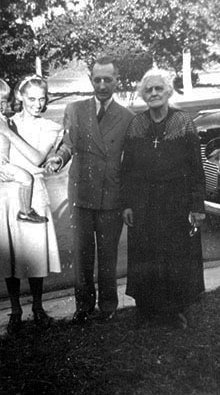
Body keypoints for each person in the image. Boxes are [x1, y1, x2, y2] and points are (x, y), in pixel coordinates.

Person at [46, 55, 134, 324]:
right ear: (90, 80)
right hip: (82, 193)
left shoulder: (128, 117)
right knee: (82, 255)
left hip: (111, 196)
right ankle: (83, 307)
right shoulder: (75, 110)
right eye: (97, 79)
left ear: (116, 80)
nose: (103, 84)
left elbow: (130, 164)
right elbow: (68, 144)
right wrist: (58, 158)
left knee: (108, 256)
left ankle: (108, 307)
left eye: (108, 79)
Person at [0, 75, 62, 335]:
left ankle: (37, 307)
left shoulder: (50, 126)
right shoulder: (4, 118)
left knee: (35, 255)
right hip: (3, 190)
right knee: (9, 255)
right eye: (31, 98)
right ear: (20, 97)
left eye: (41, 99)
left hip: (32, 194)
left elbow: (36, 159)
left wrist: (6, 132)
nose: (37, 103)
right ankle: (15, 311)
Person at [121, 68, 206, 328]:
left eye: (159, 88)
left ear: (168, 91)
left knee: (176, 256)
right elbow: (128, 169)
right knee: (146, 256)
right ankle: (148, 310)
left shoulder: (183, 122)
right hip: (144, 202)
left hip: (176, 202)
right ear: (143, 95)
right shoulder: (137, 124)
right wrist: (127, 204)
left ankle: (176, 311)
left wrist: (197, 205)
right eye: (149, 90)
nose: (154, 93)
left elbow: (195, 166)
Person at [0, 75, 48, 229]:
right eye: (1, 101)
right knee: (26, 178)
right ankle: (25, 211)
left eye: (5, 101)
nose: (4, 105)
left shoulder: (3, 120)